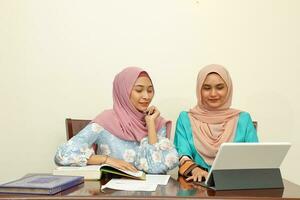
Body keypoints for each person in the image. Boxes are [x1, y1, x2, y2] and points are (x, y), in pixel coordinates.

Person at [55, 67, 178, 174]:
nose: (146, 96)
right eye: (139, 90)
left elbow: (156, 167)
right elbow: (62, 155)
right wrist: (106, 160)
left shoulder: (156, 122)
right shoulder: (105, 121)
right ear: (123, 91)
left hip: (152, 195)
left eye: (150, 90)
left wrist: (150, 124)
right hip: (111, 193)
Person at [174, 64, 258, 182]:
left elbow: (254, 158)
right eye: (207, 88)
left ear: (228, 89)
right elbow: (182, 154)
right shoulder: (186, 118)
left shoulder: (243, 119)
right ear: (199, 90)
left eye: (219, 87)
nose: (213, 94)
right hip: (197, 184)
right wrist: (195, 169)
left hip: (235, 185)